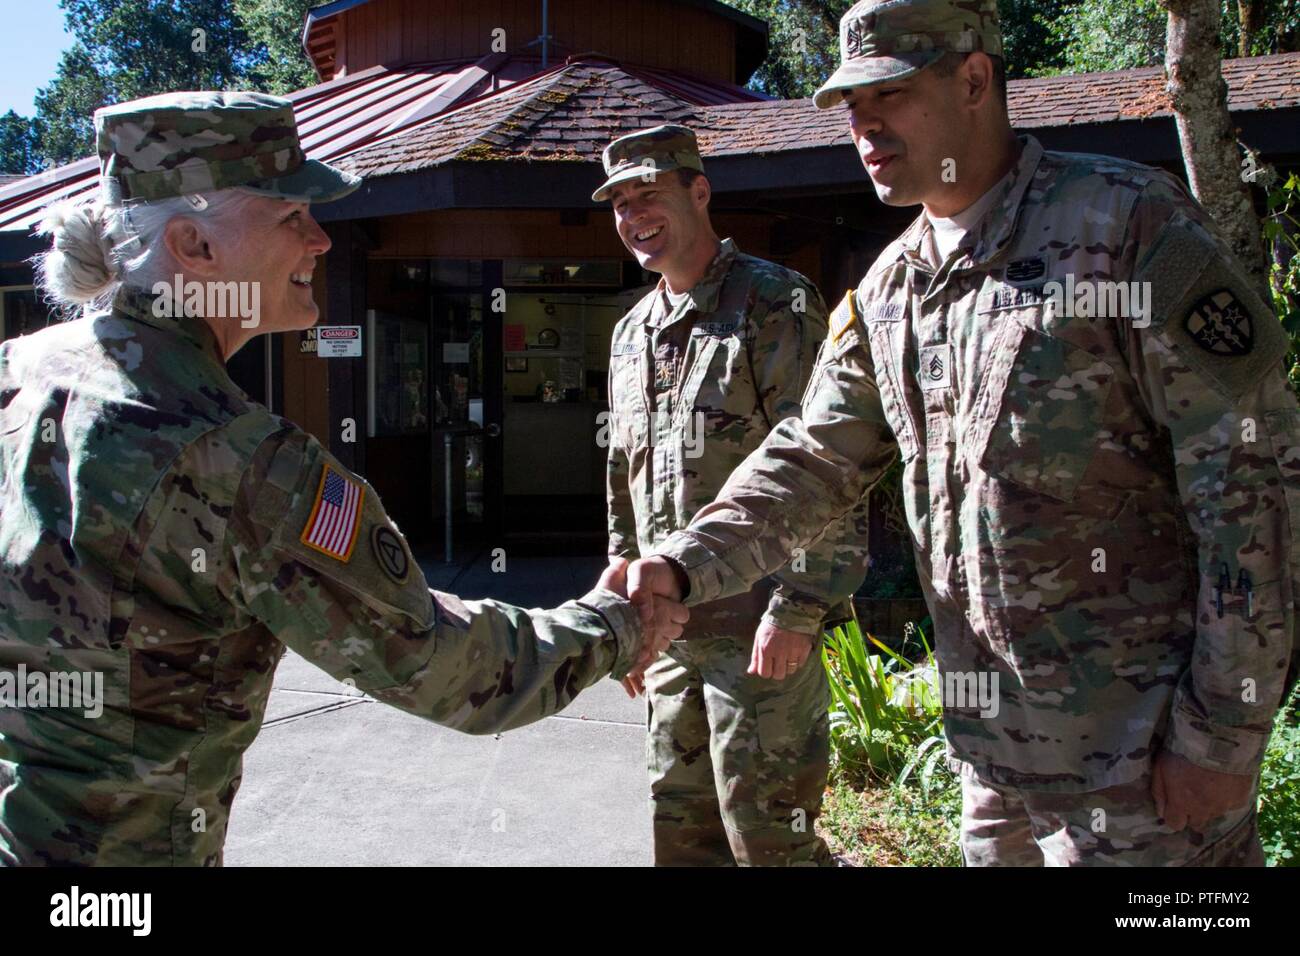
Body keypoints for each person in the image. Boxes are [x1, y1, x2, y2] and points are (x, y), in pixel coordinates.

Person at [630, 0, 1300, 866]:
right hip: (993, 769)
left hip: (1142, 774)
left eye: (891, 96)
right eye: (851, 110)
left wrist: (1223, 735)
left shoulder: (1126, 224)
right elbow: (813, 460)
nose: (864, 128)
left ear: (975, 78)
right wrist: (682, 563)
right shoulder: (889, 290)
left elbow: (1252, 481)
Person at [0, 91, 686, 866]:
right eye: (292, 216)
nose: (321, 240)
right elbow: (447, 668)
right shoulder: (242, 461)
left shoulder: (21, 377)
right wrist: (617, 624)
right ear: (194, 247)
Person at [594, 125, 870, 866]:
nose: (633, 215)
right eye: (619, 203)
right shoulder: (630, 334)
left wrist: (801, 607)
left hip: (759, 632)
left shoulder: (774, 302)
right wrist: (622, 607)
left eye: (648, 194)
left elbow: (827, 464)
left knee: (772, 841)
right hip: (671, 634)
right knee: (680, 835)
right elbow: (626, 477)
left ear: (699, 190)